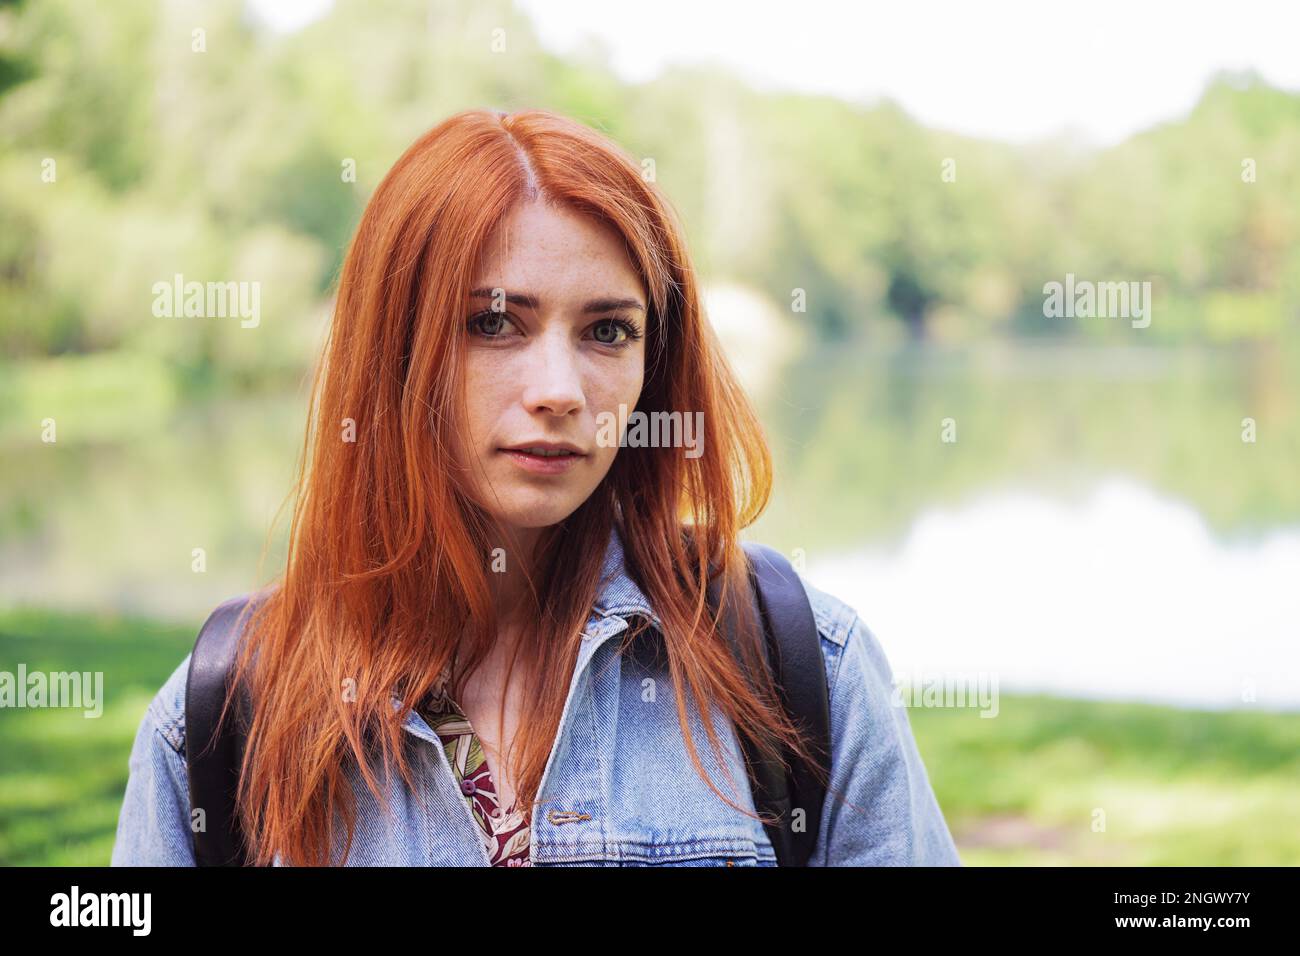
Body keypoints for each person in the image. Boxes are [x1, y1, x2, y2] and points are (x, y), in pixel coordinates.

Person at [111, 108, 961, 867]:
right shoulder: (223, 722)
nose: (560, 389)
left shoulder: (797, 663)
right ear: (392, 354)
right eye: (492, 323)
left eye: (607, 330)